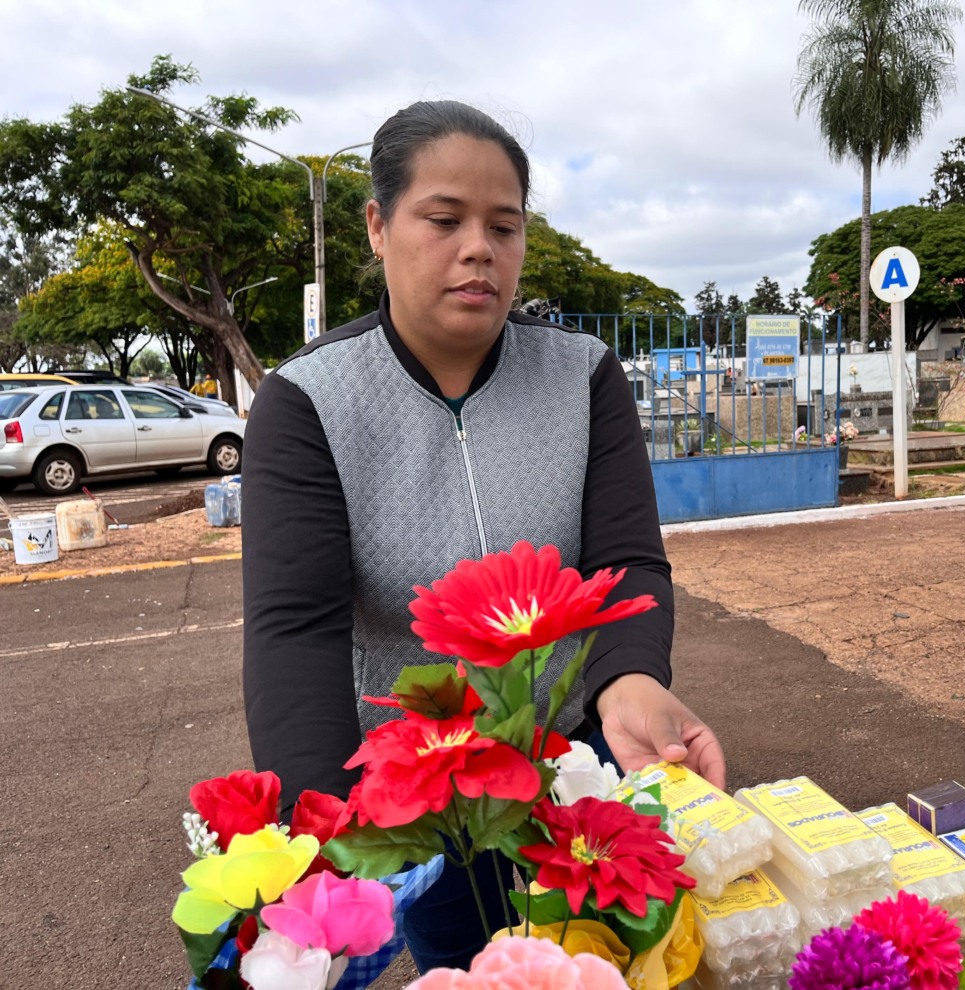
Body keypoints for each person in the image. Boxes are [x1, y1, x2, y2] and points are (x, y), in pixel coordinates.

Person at [240, 100, 725, 974]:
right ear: (379, 226)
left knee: (617, 965)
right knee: (470, 965)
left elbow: (626, 561)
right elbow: (294, 631)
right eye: (445, 219)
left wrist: (632, 682)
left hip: (577, 769)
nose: (480, 249)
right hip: (425, 804)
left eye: (505, 226)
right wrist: (322, 838)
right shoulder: (310, 402)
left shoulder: (581, 376)